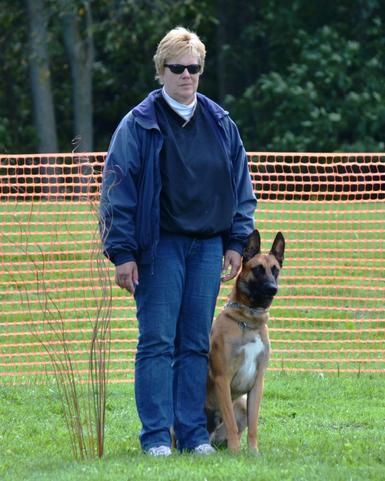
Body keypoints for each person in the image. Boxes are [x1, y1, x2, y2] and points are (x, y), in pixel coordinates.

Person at [100, 26, 256, 457]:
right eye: (178, 67)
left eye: (194, 68)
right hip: (158, 248)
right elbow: (116, 192)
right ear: (161, 70)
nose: (187, 75)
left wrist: (236, 243)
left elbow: (242, 189)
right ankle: (155, 437)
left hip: (208, 247)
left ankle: (192, 435)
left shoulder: (221, 123)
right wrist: (122, 254)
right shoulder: (138, 124)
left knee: (193, 344)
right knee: (157, 341)